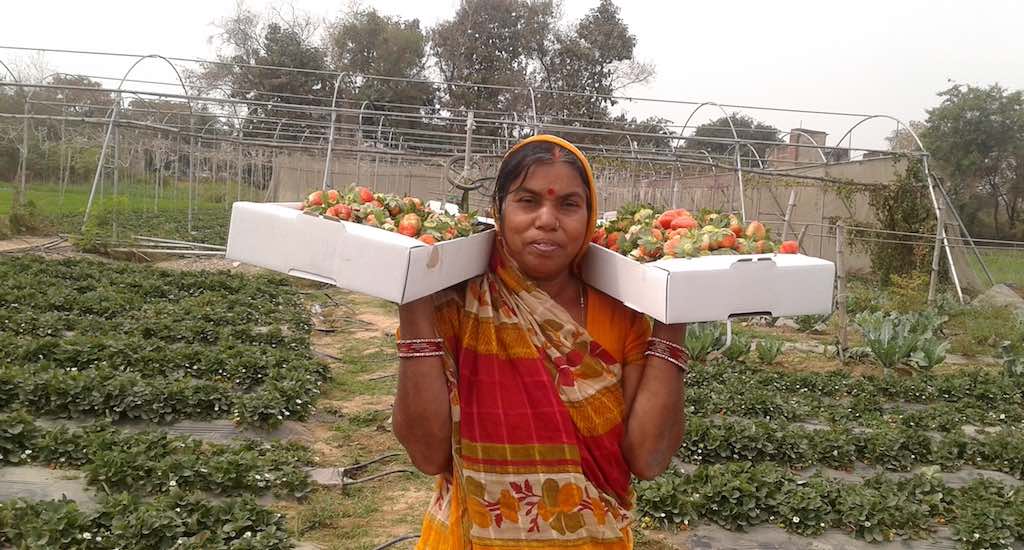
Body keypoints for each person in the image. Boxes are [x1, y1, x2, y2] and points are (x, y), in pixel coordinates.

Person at [393, 134, 688, 549]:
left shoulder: (621, 314)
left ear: (589, 217)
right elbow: (427, 455)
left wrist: (675, 315)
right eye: (528, 201)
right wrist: (413, 294)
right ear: (498, 210)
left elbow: (649, 459)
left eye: (568, 204)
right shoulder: (453, 307)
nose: (547, 219)